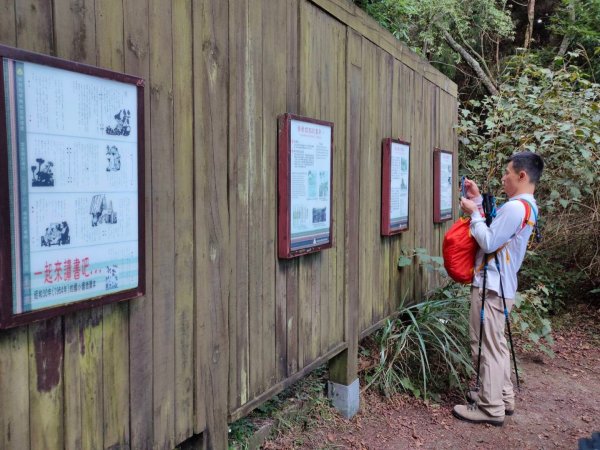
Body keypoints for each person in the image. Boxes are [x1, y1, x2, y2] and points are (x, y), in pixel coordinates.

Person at [452, 151, 544, 427]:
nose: (503, 178)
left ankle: (490, 407)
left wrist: (472, 213)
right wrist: (479, 202)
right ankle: (502, 395)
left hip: (492, 287)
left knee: (484, 346)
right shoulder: (528, 206)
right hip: (503, 286)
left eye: (507, 172)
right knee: (496, 344)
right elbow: (499, 231)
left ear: (522, 175)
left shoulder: (516, 207)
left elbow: (490, 241)